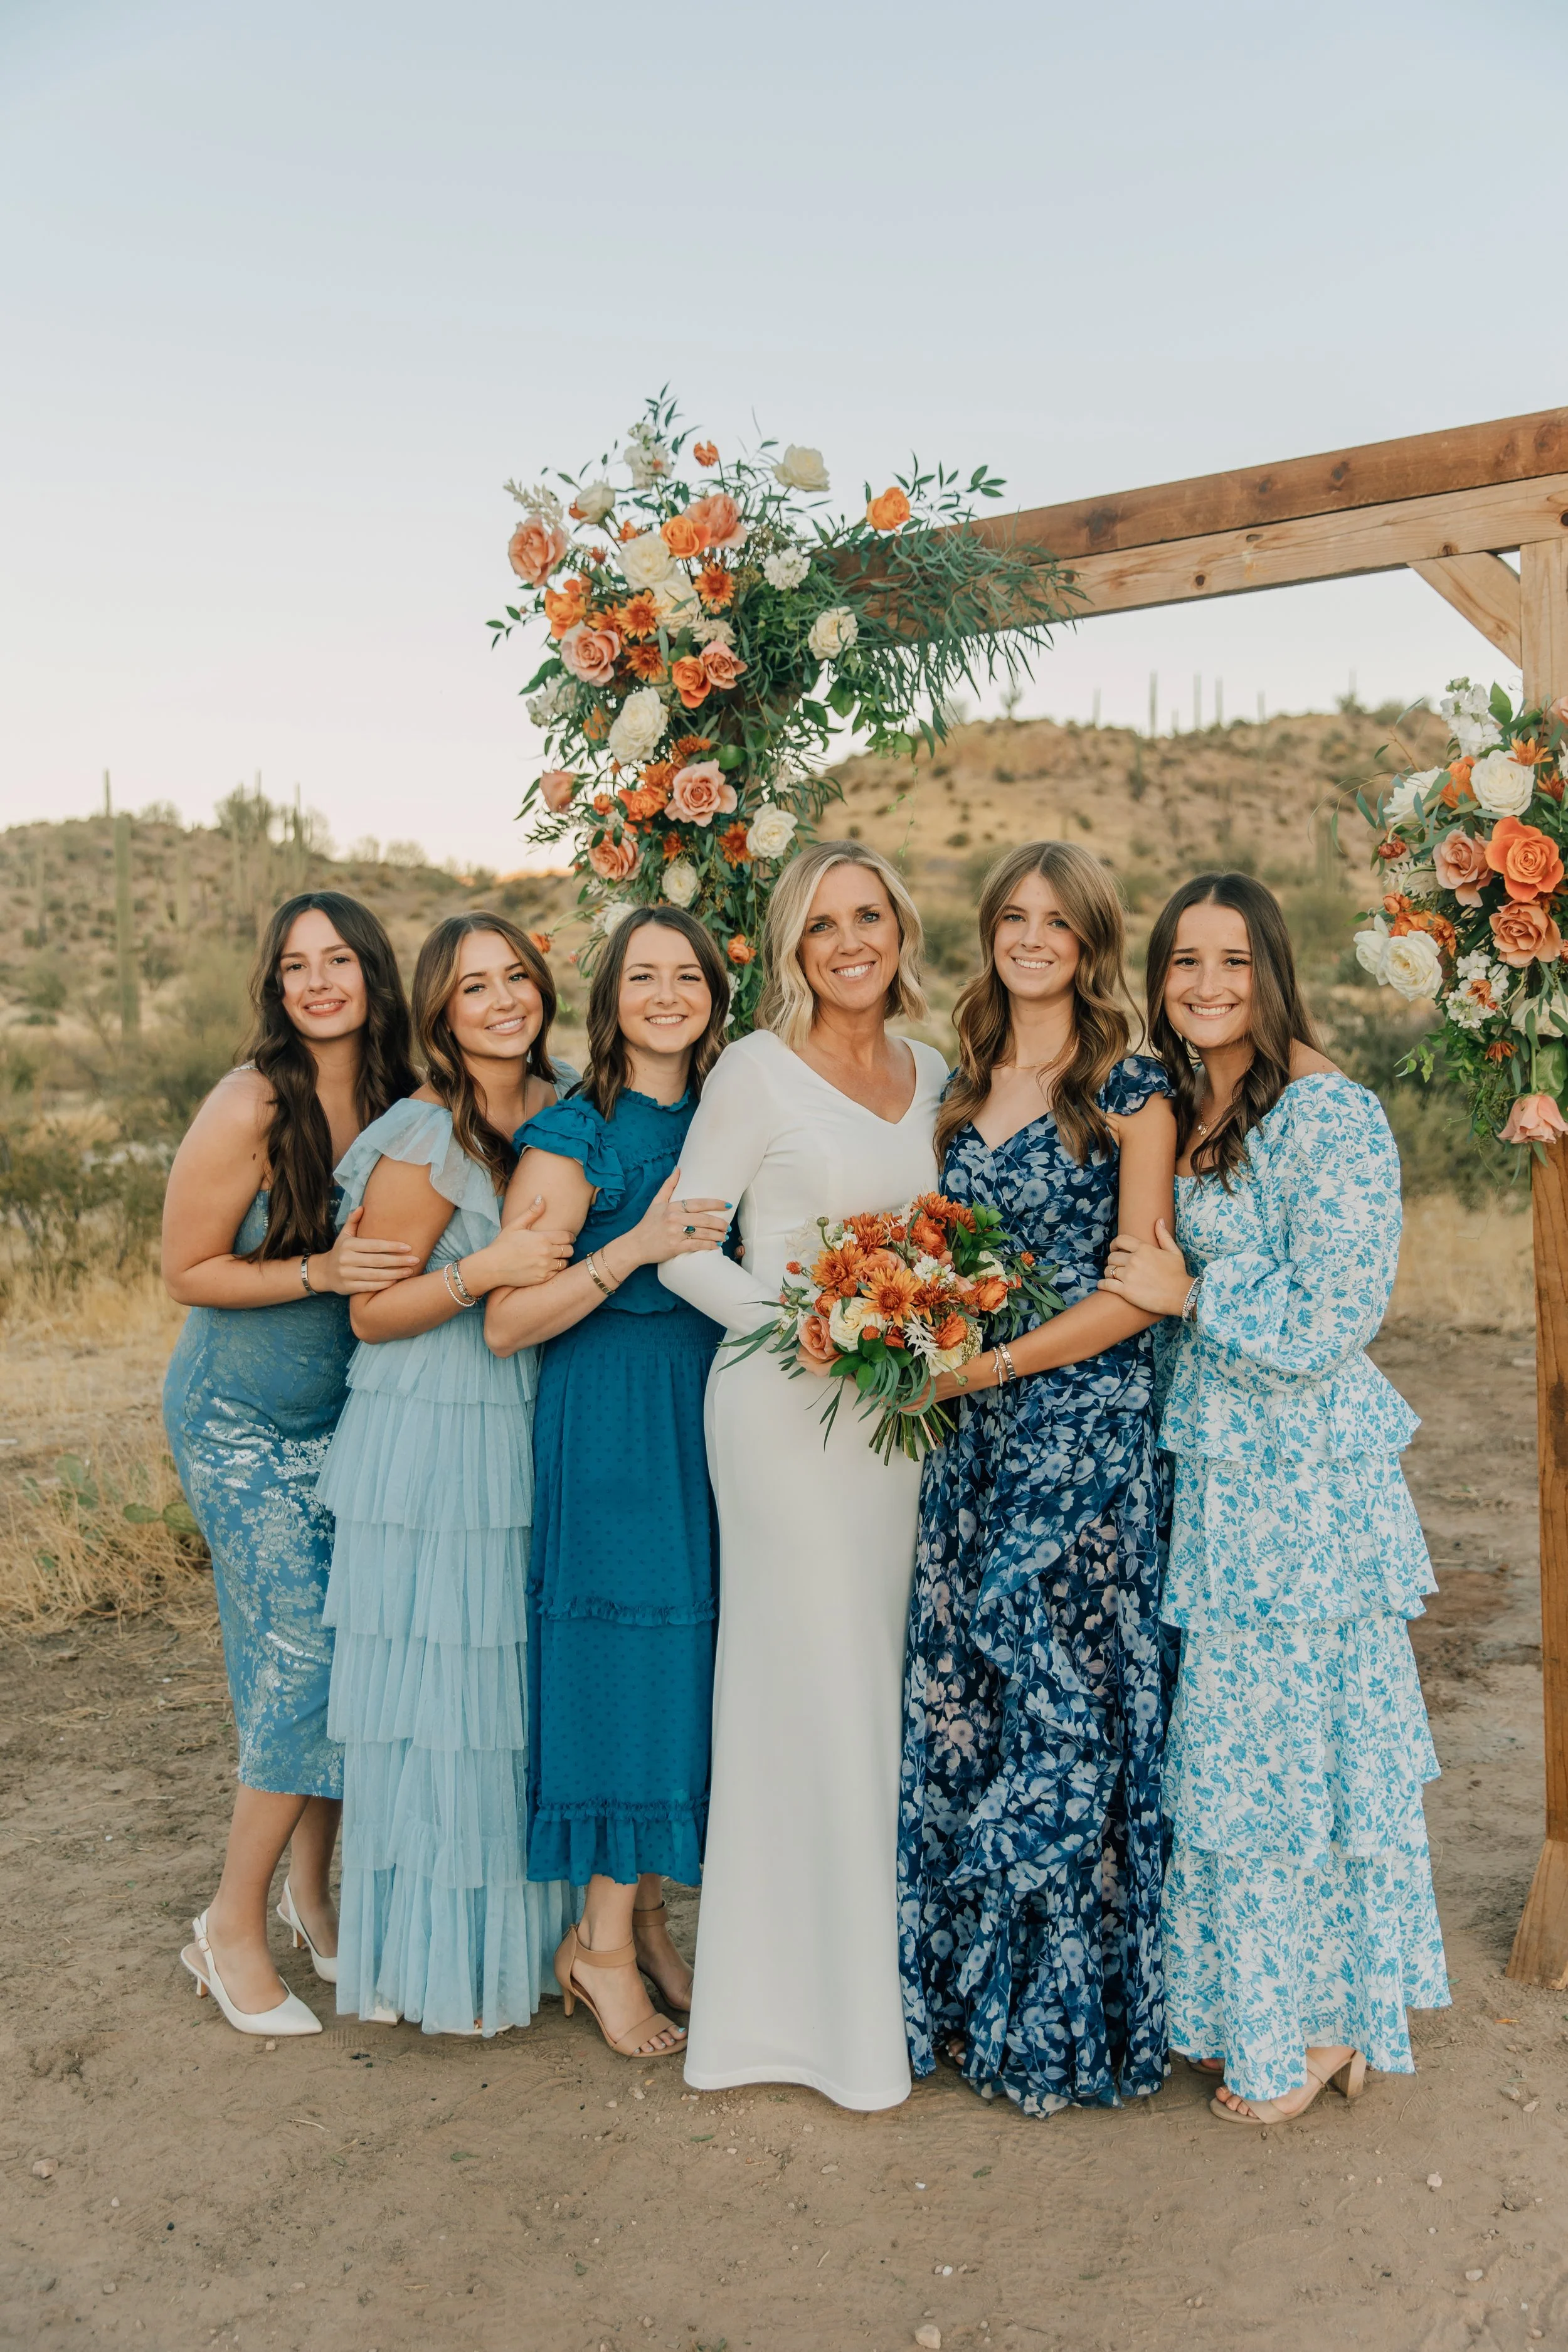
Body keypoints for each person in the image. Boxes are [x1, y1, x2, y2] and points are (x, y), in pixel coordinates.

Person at [1099, 871, 1449, 2125]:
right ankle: (1262, 2007)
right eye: (1181, 962)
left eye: (1230, 963)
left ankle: (1316, 2029)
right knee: (1237, 1758)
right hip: (1213, 1474)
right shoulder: (1192, 1103)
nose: (1202, 985)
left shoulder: (1329, 1114)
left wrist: (1190, 1294)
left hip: (1302, 1486)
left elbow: (1334, 1315)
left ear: (1271, 972)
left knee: (1296, 1757)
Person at [659, 841, 948, 2110]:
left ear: (898, 930)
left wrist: (916, 1332)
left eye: (866, 916)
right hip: (781, 1411)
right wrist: (804, 1324)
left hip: (893, 1424)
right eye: (822, 923)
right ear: (793, 946)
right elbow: (682, 1245)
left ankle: (867, 1998)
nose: (847, 941)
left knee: (873, 1682)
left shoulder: (930, 1070)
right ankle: (782, 2023)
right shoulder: (752, 1071)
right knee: (803, 1681)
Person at [897, 841, 1178, 2115]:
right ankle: (964, 1999)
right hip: (968, 1438)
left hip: (1078, 1435)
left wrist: (989, 1367)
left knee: (1067, 1709)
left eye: (1054, 922)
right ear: (988, 933)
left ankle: (1061, 2018)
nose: (1029, 938)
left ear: (1087, 943)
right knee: (968, 1705)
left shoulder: (1130, 1088)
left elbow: (1137, 1292)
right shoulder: (953, 1088)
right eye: (1010, 916)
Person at [163, 891, 420, 2037]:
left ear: (373, 972)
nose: (317, 982)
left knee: (347, 1650)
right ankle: (229, 1924)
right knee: (304, 1653)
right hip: (236, 1418)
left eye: (338, 961)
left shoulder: (407, 1098)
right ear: (275, 986)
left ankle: (317, 1900)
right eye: (294, 965)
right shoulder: (250, 1101)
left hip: (346, 1416)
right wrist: (317, 1273)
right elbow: (187, 1269)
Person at [319, 914, 580, 2037]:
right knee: (447, 1700)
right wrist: (484, 1269)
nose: (503, 1000)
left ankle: (533, 1946)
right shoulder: (426, 1132)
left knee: (515, 1691)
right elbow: (372, 1312)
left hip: (530, 1409)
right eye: (476, 988)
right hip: (434, 1425)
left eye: (517, 977)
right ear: (441, 1013)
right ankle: (436, 1962)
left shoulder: (569, 1099)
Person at [484, 908, 731, 2062]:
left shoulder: (732, 1109)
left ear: (718, 994)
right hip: (615, 1419)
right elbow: (508, 1320)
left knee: (687, 1666)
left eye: (689, 974)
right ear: (611, 993)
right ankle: (600, 1950)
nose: (669, 992)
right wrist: (631, 1248)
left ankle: (649, 1921)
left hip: (710, 1409)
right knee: (625, 1665)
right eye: (645, 974)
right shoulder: (575, 1131)